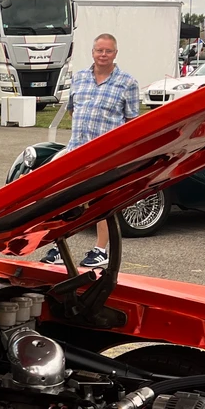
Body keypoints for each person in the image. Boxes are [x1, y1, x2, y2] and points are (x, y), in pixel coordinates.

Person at [54, 32, 140, 269]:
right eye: (99, 50)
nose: (103, 55)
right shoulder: (79, 78)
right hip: (77, 151)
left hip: (106, 156)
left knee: (101, 203)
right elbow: (72, 110)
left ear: (115, 53)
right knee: (67, 200)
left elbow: (132, 121)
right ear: (92, 52)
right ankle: (60, 247)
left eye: (108, 51)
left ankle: (100, 250)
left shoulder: (128, 82)